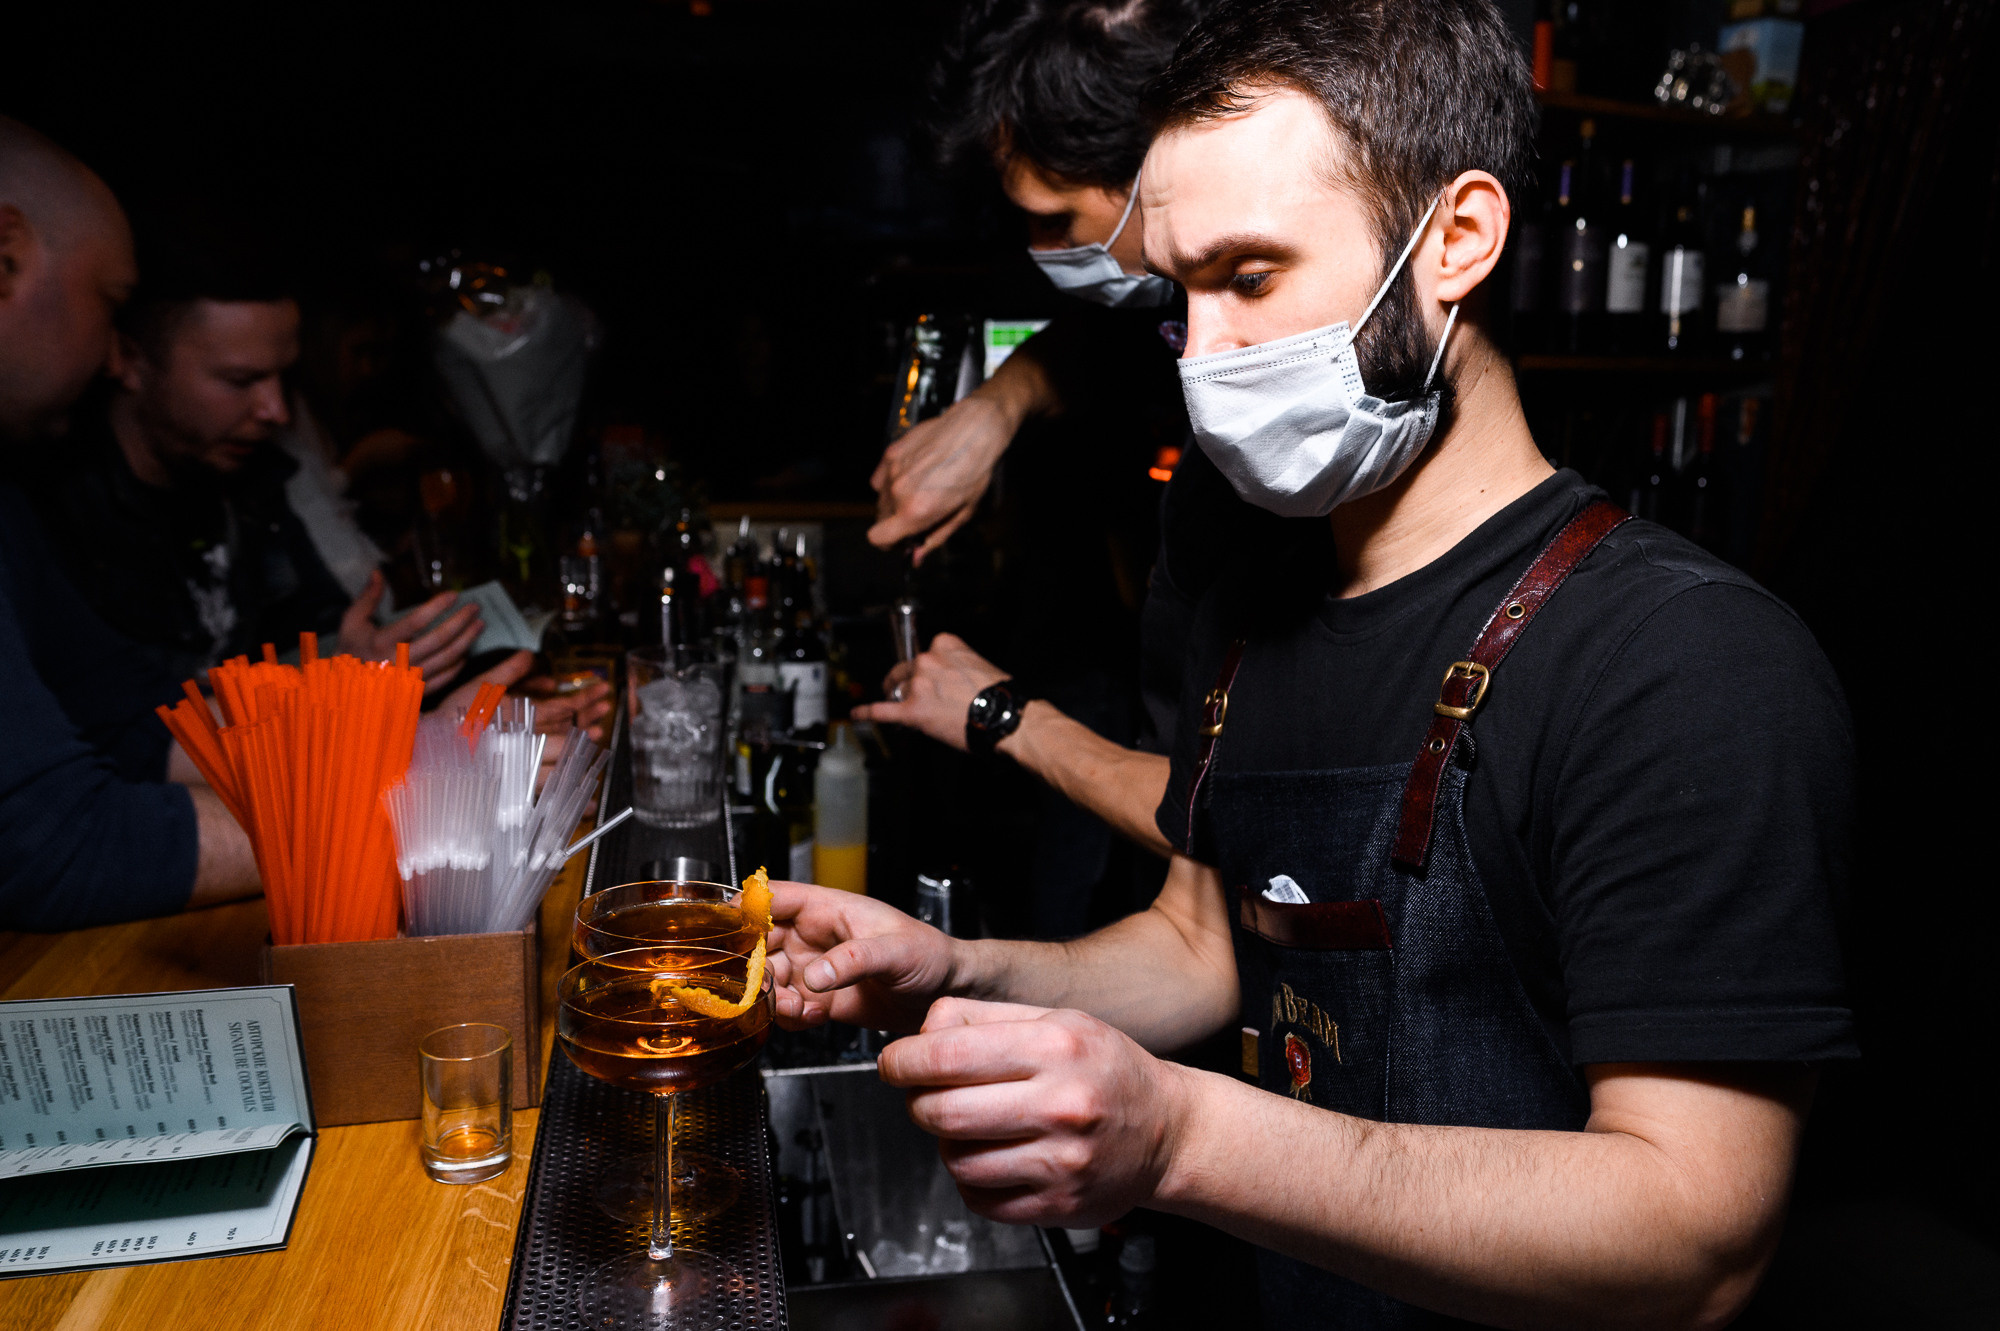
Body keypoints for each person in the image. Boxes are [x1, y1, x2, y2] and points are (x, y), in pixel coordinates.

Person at [771, 2, 1855, 1326]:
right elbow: (1208, 948)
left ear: (1453, 239)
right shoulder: (1254, 598)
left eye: (1251, 276)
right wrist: (961, 966)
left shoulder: (1681, 661)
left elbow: (1697, 1236)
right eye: (1178, 291)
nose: (1203, 354)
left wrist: (1179, 1139)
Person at [860, 0, 1277, 930]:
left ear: (1162, 159)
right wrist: (998, 405)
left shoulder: (1283, 406)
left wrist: (998, 714)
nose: (1044, 256)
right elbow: (1114, 344)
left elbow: (1235, 819)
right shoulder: (1180, 314)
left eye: (1055, 220)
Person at [24, 229, 481, 691]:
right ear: (128, 359)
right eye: (240, 380)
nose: (276, 411)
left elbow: (320, 628)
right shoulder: (52, 520)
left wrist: (355, 665)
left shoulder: (250, 485)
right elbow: (111, 726)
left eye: (284, 378)